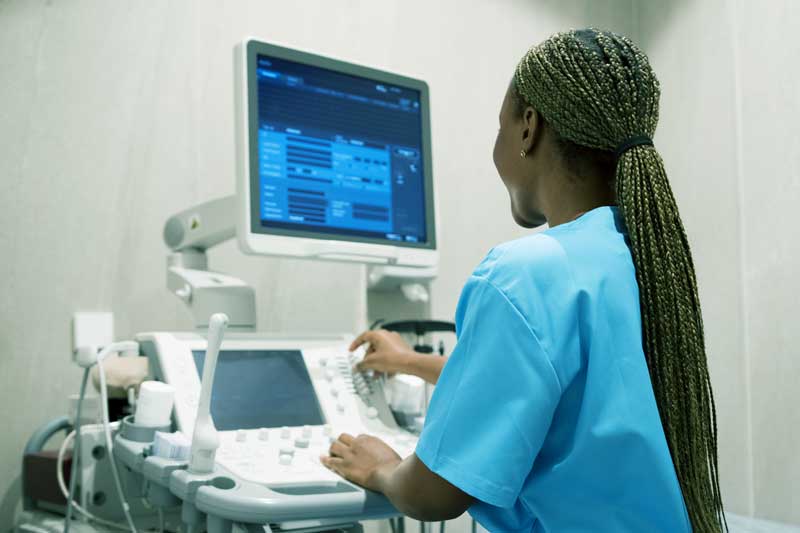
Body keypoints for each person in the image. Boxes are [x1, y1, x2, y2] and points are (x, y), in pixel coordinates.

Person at [321, 28, 724, 532]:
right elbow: (566, 395)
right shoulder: (645, 257)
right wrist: (407, 361)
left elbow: (433, 494)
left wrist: (381, 468)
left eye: (499, 128)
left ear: (528, 127)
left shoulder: (523, 276)